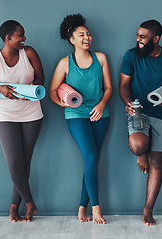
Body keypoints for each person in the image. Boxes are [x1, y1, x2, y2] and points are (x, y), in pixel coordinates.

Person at [0, 20, 44, 222]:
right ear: (8, 38)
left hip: (32, 115)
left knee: (24, 164)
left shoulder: (29, 52)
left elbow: (40, 79)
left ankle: (14, 206)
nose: (24, 38)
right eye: (20, 35)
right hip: (6, 117)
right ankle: (30, 204)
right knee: (14, 165)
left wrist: (29, 93)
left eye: (23, 34)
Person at [49, 14, 112, 224]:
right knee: (91, 158)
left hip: (100, 114)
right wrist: (63, 103)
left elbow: (109, 88)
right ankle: (96, 209)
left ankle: (81, 208)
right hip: (76, 115)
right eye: (81, 35)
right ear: (72, 39)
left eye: (88, 34)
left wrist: (101, 105)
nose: (87, 37)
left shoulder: (101, 58)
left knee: (91, 161)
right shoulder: (64, 63)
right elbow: (52, 91)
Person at [119, 20, 162, 225]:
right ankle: (142, 152)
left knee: (157, 163)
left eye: (143, 37)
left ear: (155, 39)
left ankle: (148, 210)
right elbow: (124, 85)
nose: (138, 39)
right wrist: (128, 103)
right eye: (138, 35)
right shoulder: (131, 55)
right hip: (138, 110)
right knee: (138, 146)